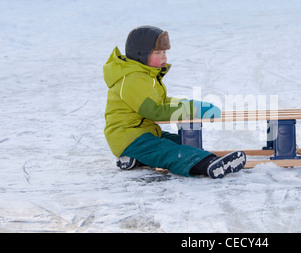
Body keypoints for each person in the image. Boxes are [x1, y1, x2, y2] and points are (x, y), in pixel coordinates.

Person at [103, 25, 246, 179]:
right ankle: (207, 165)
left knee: (182, 142)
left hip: (143, 133)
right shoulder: (133, 79)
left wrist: (186, 103)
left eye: (164, 52)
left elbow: (160, 101)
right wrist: (190, 109)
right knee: (168, 151)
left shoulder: (144, 75)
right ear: (141, 54)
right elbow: (154, 110)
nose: (164, 57)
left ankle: (134, 159)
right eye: (158, 53)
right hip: (129, 137)